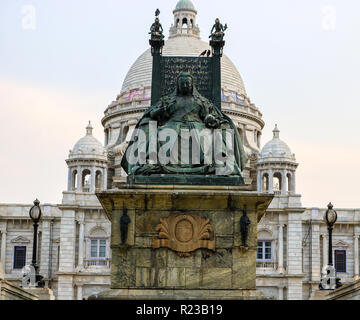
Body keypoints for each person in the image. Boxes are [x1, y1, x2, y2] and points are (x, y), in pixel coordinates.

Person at [121, 72, 248, 177]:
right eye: (183, 83)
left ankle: (221, 164)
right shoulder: (168, 100)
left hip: (197, 127)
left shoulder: (200, 101)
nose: (186, 85)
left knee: (213, 134)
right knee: (160, 134)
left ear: (192, 85)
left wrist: (210, 119)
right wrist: (161, 110)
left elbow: (207, 115)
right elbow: (153, 114)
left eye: (188, 83)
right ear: (178, 85)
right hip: (172, 126)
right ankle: (150, 163)